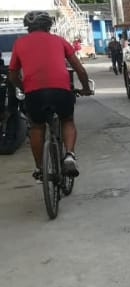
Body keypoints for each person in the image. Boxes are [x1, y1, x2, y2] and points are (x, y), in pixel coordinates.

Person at [8, 12, 91, 180]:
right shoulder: (59, 41)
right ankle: (69, 155)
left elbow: (12, 75)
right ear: (49, 26)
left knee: (37, 127)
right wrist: (85, 88)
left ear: (28, 28)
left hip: (34, 93)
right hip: (61, 90)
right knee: (67, 120)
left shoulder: (19, 43)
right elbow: (79, 69)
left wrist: (24, 88)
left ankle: (40, 168)